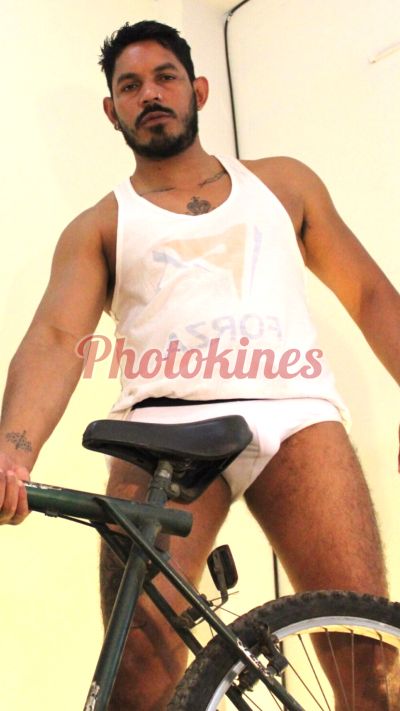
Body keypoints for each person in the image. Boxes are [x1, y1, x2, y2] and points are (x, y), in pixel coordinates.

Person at [0, 19, 399, 711]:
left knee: (372, 662)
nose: (150, 94)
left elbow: (368, 292)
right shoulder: (101, 224)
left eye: (165, 77)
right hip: (162, 429)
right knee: (136, 676)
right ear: (112, 110)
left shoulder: (283, 184)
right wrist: (13, 451)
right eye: (131, 86)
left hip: (296, 415)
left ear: (199, 89)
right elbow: (58, 336)